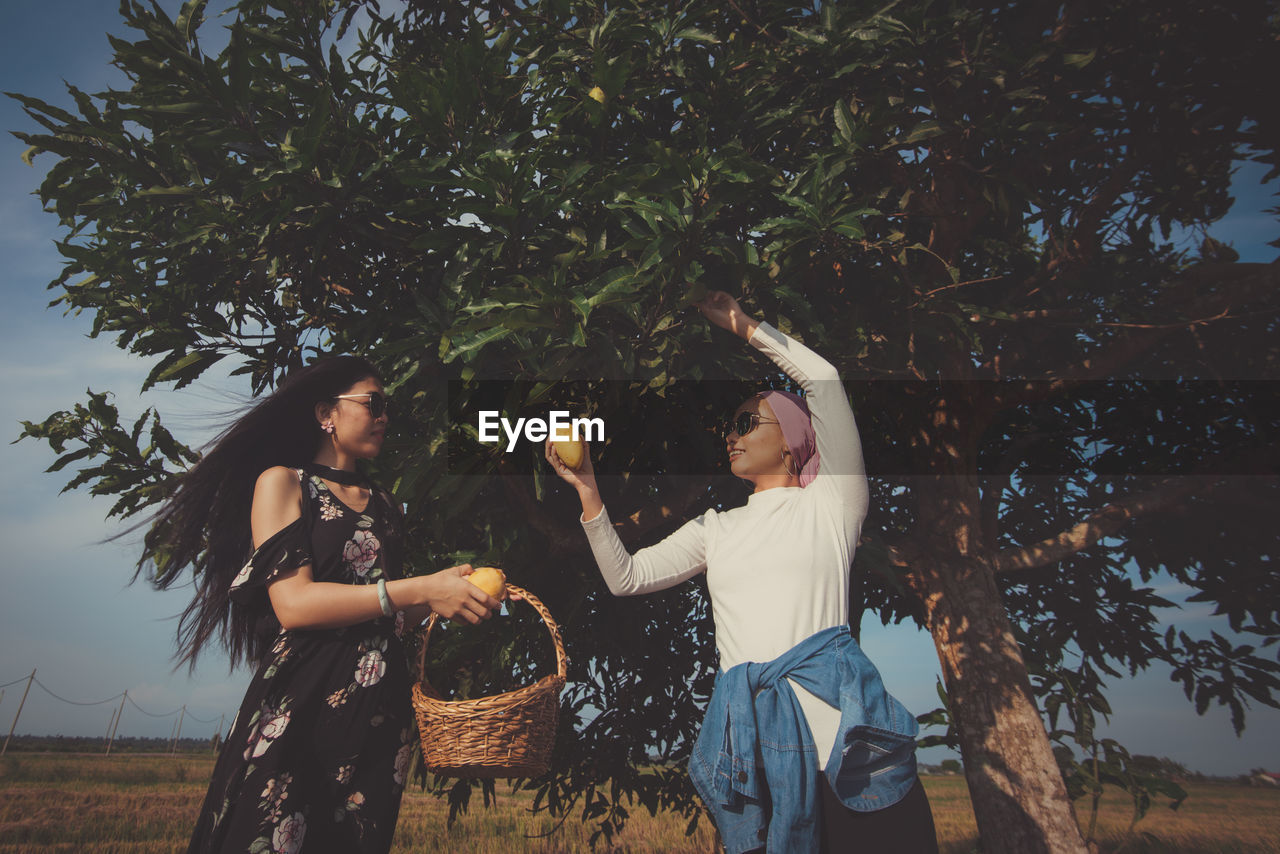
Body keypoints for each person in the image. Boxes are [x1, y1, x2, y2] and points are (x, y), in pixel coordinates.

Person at [545, 292, 938, 853]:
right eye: (728, 426)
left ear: (793, 440)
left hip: (847, 754)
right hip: (759, 758)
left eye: (746, 421)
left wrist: (744, 326)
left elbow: (823, 377)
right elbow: (625, 577)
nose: (731, 434)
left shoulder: (832, 504)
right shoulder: (715, 528)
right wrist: (589, 492)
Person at [147, 356, 502, 854]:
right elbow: (294, 603)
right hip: (303, 696)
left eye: (388, 407)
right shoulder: (285, 483)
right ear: (325, 414)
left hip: (378, 710)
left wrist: (447, 596)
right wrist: (420, 589)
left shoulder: (387, 504)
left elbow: (385, 609)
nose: (383, 416)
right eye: (372, 403)